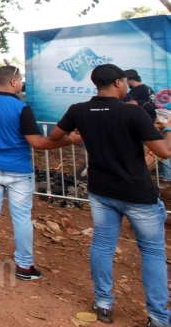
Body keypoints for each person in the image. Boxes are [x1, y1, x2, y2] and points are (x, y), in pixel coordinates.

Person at [50, 64, 171, 327]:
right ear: (118, 82)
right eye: (126, 82)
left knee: (103, 245)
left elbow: (55, 135)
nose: (127, 86)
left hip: (101, 190)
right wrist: (168, 127)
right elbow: (163, 152)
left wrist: (75, 135)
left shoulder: (78, 110)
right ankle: (159, 317)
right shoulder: (133, 112)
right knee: (152, 252)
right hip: (137, 193)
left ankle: (103, 303)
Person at [0, 65, 81, 281]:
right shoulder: (21, 108)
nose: (21, 84)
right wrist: (70, 140)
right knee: (21, 218)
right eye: (20, 80)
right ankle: (24, 266)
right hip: (18, 171)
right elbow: (36, 142)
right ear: (12, 82)